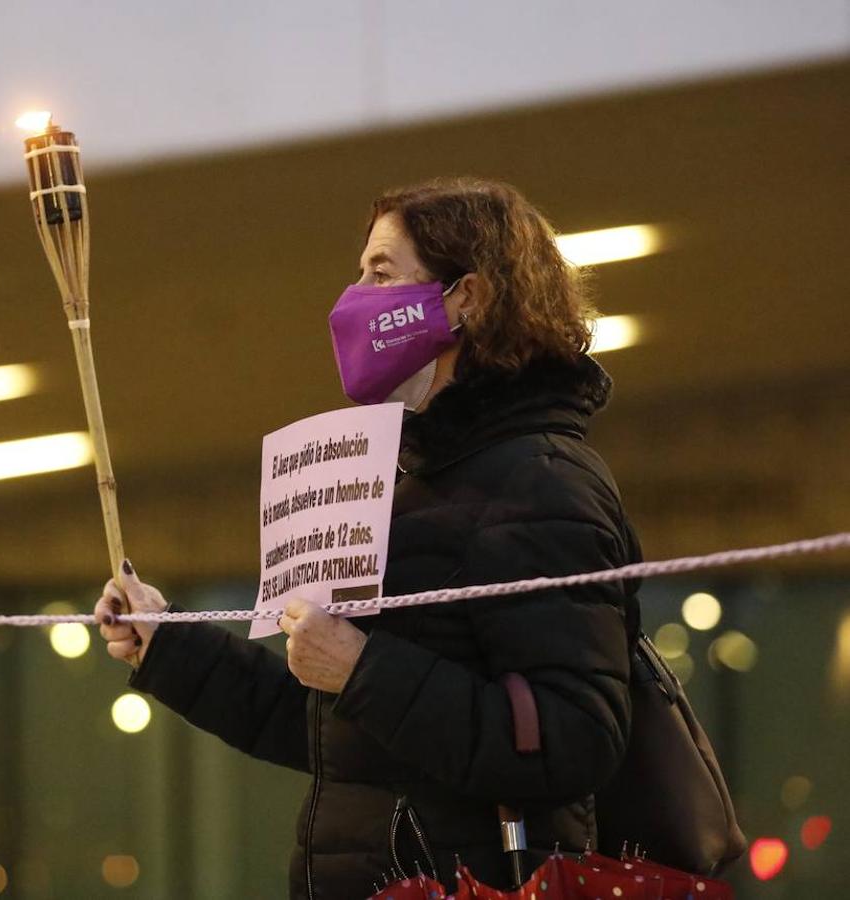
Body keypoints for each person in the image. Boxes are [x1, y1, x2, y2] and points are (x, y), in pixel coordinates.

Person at [95, 177, 638, 899]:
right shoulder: (406, 480)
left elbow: (576, 738)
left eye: (381, 273)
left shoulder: (540, 484)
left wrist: (362, 667)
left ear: (466, 298)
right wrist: (169, 644)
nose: (353, 298)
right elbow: (334, 730)